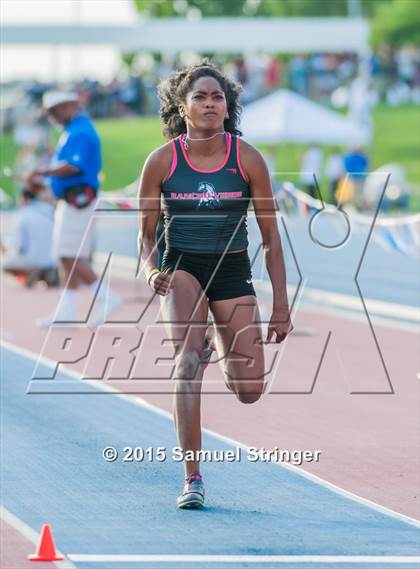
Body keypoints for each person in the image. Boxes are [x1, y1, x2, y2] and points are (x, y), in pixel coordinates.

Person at [138, 61, 292, 509]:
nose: (209, 104)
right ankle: (193, 478)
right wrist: (151, 269)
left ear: (227, 107)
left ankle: (217, 344)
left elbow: (271, 237)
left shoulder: (247, 159)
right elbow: (147, 232)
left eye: (217, 97)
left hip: (231, 270)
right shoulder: (163, 160)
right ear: (182, 108)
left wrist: (280, 303)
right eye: (200, 98)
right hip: (182, 267)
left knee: (249, 390)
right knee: (186, 364)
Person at [26, 91, 122, 326]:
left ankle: (106, 296)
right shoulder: (73, 130)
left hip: (78, 201)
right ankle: (67, 310)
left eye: (55, 111)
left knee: (70, 255)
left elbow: (73, 167)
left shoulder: (79, 132)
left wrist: (42, 172)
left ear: (69, 106)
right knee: (65, 255)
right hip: (71, 200)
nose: (52, 117)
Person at [2, 189, 58, 287]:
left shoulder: (23, 215)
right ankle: (46, 272)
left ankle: (32, 272)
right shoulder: (51, 211)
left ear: (25, 199)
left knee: (5, 264)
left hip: (33, 259)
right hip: (55, 260)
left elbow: (20, 246)